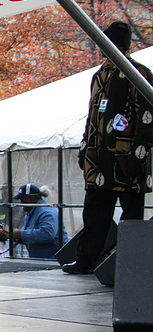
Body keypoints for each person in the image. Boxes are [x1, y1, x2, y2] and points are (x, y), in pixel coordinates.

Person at [64, 21, 153, 274]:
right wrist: (85, 146)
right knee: (94, 213)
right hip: (99, 157)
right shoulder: (99, 75)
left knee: (132, 216)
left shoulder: (139, 73)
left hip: (127, 157)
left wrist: (141, 151)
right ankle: (86, 260)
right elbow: (93, 115)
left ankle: (129, 264)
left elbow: (148, 116)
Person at [0, 184, 68, 259]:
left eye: (23, 199)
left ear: (33, 198)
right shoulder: (29, 214)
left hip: (53, 260)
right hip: (41, 260)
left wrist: (20, 234)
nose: (21, 203)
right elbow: (29, 237)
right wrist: (9, 235)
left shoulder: (47, 212)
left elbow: (47, 234)